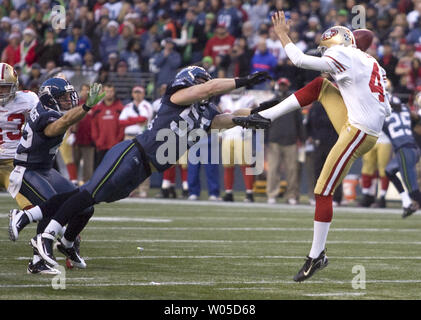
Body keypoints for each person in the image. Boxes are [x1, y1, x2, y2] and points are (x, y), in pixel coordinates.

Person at [9, 67, 271, 268]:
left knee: (90, 198)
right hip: (132, 153)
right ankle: (46, 238)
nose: (206, 87)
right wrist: (243, 81)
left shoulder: (204, 113)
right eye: (202, 81)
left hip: (146, 169)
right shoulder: (177, 95)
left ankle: (54, 233)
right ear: (190, 80)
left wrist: (259, 112)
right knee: (88, 194)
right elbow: (207, 89)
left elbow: (228, 119)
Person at [256, 12, 391, 282]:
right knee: (320, 86)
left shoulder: (345, 54)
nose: (325, 55)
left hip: (358, 131)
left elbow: (299, 60)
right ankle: (265, 116)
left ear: (339, 42)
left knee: (322, 190)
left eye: (326, 49)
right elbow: (385, 106)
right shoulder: (370, 61)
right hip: (364, 126)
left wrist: (282, 34)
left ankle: (317, 255)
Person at [8, 77, 105, 274]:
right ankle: (25, 223)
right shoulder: (46, 115)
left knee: (85, 205)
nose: (69, 100)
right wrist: (86, 107)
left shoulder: (49, 110)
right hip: (27, 170)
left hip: (45, 169)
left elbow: (66, 118)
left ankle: (67, 243)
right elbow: (61, 124)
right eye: (64, 97)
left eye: (69, 96)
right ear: (50, 98)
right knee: (53, 205)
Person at [384, 96, 421, 218]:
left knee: (413, 191)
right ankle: (406, 203)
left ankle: (410, 201)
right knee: (389, 171)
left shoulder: (383, 113)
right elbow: (416, 118)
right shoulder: (405, 109)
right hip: (413, 149)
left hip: (404, 151)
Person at [219, 88, 257, 202]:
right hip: (227, 135)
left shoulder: (249, 99)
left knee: (245, 166)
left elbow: (256, 111)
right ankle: (228, 192)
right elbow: (219, 114)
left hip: (242, 135)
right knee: (228, 166)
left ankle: (249, 193)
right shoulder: (224, 99)